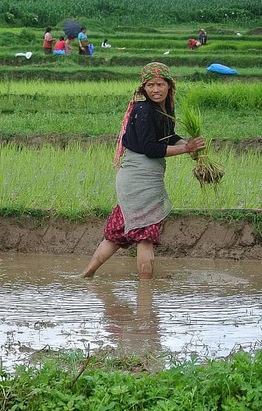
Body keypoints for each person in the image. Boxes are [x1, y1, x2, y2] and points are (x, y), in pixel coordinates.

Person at [80, 62, 206, 280]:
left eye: (160, 84)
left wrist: (190, 146)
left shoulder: (165, 108)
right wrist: (186, 149)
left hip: (141, 179)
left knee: (117, 234)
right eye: (150, 85)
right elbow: (151, 149)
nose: (155, 89)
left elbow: (168, 136)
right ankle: (145, 291)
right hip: (139, 178)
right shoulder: (144, 110)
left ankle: (86, 275)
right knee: (145, 237)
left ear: (169, 85)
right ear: (143, 89)